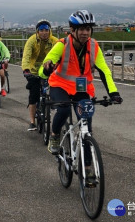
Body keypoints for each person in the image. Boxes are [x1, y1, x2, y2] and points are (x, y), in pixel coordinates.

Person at [39, 10, 123, 155]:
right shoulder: (62, 45)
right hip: (60, 85)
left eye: (88, 29)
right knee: (64, 109)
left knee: (86, 126)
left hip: (81, 86)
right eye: (82, 29)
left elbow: (104, 71)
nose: (85, 33)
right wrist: (47, 69)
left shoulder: (93, 46)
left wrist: (113, 92)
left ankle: (89, 169)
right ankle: (54, 135)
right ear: (72, 30)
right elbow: (42, 70)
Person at [22, 19, 58, 131]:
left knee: (57, 86)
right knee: (33, 96)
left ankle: (52, 102)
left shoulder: (55, 41)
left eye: (46, 30)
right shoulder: (31, 41)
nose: (44, 32)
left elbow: (61, 55)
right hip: (33, 70)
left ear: (49, 31)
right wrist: (26, 70)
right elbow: (26, 56)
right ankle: (32, 122)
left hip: (48, 69)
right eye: (41, 30)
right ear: (37, 31)